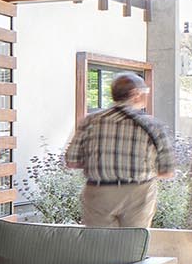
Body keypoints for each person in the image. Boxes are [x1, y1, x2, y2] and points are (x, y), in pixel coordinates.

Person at [64, 72, 174, 228]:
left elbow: (72, 161)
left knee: (98, 245)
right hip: (138, 193)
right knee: (132, 245)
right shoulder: (153, 125)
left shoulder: (90, 121)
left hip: (98, 192)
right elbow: (167, 171)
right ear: (135, 94)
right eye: (145, 92)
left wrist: (100, 161)